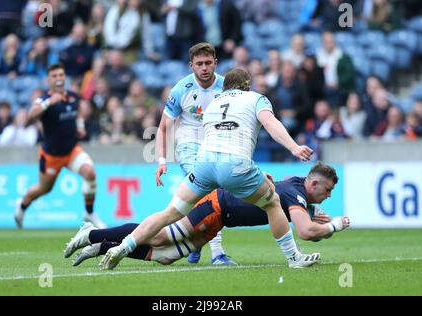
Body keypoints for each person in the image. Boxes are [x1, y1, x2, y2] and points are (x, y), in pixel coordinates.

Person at [99, 68, 318, 270]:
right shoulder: (256, 98)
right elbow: (270, 124)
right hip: (235, 165)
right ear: (247, 85)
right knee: (272, 203)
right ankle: (293, 258)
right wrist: (294, 147)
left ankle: (123, 246)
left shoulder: (213, 104)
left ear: (226, 87)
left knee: (170, 213)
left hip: (204, 165)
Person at [64, 162, 350, 266]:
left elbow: (304, 216)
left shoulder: (298, 189)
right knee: (161, 235)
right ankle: (90, 232)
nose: (327, 196)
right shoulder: (295, 193)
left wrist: (313, 212)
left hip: (219, 218)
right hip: (217, 204)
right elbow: (307, 233)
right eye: (326, 191)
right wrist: (337, 224)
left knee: (164, 256)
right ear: (313, 183)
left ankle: (102, 247)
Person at [155, 42, 232, 265]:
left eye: (208, 63)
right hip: (189, 144)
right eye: (200, 64)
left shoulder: (227, 87)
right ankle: (217, 253)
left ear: (216, 63)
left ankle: (195, 241)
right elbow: (163, 128)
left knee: (215, 199)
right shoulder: (181, 89)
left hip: (217, 144)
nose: (205, 68)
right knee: (210, 194)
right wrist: (161, 160)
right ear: (191, 66)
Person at [14, 64, 106, 229]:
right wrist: (49, 102)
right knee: (43, 189)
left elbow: (76, 113)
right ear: (49, 80)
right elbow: (29, 119)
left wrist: (80, 126)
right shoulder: (43, 99)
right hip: (51, 156)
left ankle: (89, 213)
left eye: (61, 75)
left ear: (65, 77)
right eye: (54, 76)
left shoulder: (72, 96)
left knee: (90, 173)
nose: (58, 78)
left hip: (71, 151)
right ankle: (21, 205)